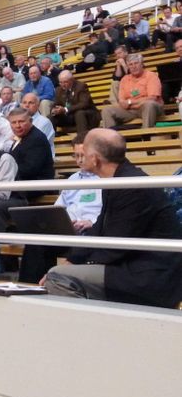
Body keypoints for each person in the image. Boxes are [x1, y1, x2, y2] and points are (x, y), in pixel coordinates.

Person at [43, 129, 182, 308]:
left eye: (83, 153)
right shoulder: (119, 178)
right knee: (63, 270)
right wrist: (73, 259)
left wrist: (76, 265)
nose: (79, 158)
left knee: (58, 277)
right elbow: (99, 230)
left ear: (94, 159)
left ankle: (96, 331)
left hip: (150, 274)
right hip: (133, 264)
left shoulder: (130, 185)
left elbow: (116, 244)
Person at [18, 136, 102, 283]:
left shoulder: (105, 178)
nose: (80, 160)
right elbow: (58, 208)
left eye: (83, 155)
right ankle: (28, 287)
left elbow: (109, 212)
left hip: (91, 230)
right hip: (67, 229)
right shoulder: (73, 179)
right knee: (36, 241)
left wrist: (92, 222)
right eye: (76, 155)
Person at [0, 108, 54, 232]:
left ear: (31, 121)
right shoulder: (22, 137)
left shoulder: (36, 138)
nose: (17, 126)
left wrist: (5, 172)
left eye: (21, 121)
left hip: (36, 186)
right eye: (14, 122)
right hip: (21, 184)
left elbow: (30, 169)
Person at [101, 53, 164, 129]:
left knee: (149, 104)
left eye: (136, 63)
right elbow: (122, 101)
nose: (133, 66)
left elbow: (152, 98)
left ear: (142, 64)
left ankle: (146, 135)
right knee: (106, 110)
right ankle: (111, 139)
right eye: (130, 64)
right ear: (128, 67)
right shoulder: (124, 79)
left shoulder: (151, 76)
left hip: (148, 108)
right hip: (130, 110)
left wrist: (130, 102)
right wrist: (133, 104)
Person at [50, 70, 100, 136]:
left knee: (79, 113)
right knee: (51, 116)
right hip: (70, 117)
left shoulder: (81, 86)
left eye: (65, 82)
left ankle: (82, 137)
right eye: (61, 82)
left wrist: (65, 109)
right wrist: (54, 110)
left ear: (72, 80)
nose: (63, 85)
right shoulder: (58, 90)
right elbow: (55, 104)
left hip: (87, 115)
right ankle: (53, 138)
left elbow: (84, 104)